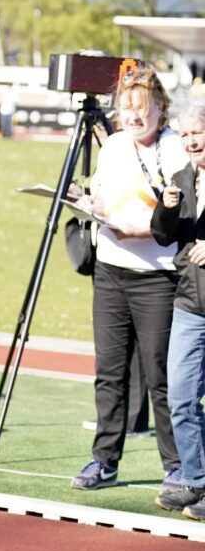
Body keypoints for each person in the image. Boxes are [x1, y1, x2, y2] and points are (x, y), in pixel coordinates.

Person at [70, 68, 185, 491]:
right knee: (110, 372)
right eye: (126, 108)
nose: (133, 116)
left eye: (142, 108)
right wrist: (85, 202)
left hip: (158, 276)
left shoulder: (175, 149)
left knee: (161, 374)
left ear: (160, 108)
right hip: (110, 271)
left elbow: (181, 215)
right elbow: (101, 193)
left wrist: (139, 231)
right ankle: (104, 460)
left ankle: (177, 466)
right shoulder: (114, 145)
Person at [150, 103, 205, 520]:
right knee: (181, 398)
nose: (191, 141)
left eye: (198, 133)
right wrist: (166, 207)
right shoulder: (182, 178)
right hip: (190, 305)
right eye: (185, 135)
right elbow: (163, 236)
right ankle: (198, 482)